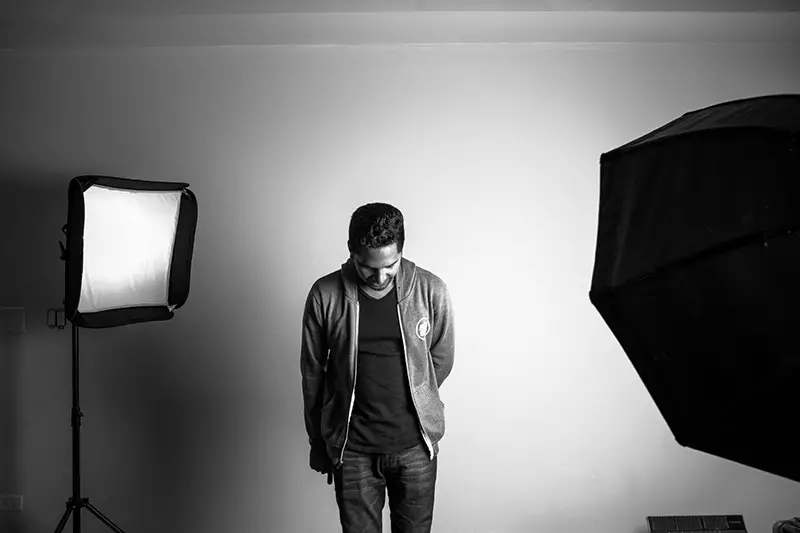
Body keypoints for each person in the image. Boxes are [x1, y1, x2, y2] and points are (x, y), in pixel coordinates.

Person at [301, 202, 455, 533]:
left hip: (415, 448)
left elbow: (440, 358)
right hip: (352, 451)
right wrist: (317, 440)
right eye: (368, 267)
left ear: (401, 251)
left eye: (391, 265)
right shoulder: (325, 295)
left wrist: (417, 394)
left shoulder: (431, 290)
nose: (380, 276)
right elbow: (312, 373)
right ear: (351, 251)